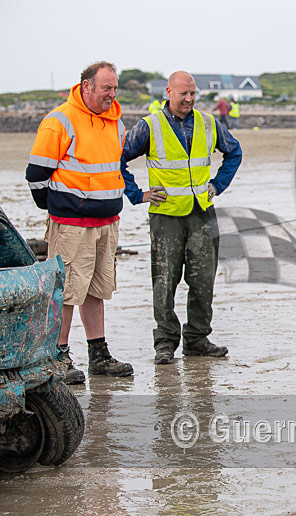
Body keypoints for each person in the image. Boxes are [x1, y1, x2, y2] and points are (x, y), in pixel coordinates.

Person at [121, 71, 242, 365]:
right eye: (182, 94)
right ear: (168, 92)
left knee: (203, 281)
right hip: (166, 217)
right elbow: (118, 159)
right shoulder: (149, 127)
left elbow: (234, 152)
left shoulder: (209, 123)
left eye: (193, 94)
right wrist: (137, 194)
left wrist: (217, 185)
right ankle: (165, 343)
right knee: (164, 281)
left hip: (202, 213)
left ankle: (197, 339)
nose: (188, 99)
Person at [25, 61, 135, 383]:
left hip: (107, 222)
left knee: (97, 289)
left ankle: (98, 355)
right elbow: (36, 176)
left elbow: (115, 170)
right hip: (72, 224)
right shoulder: (60, 121)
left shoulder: (116, 124)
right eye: (106, 88)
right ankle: (59, 356)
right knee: (66, 291)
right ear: (86, 86)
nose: (112, 95)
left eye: (115, 88)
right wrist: (61, 208)